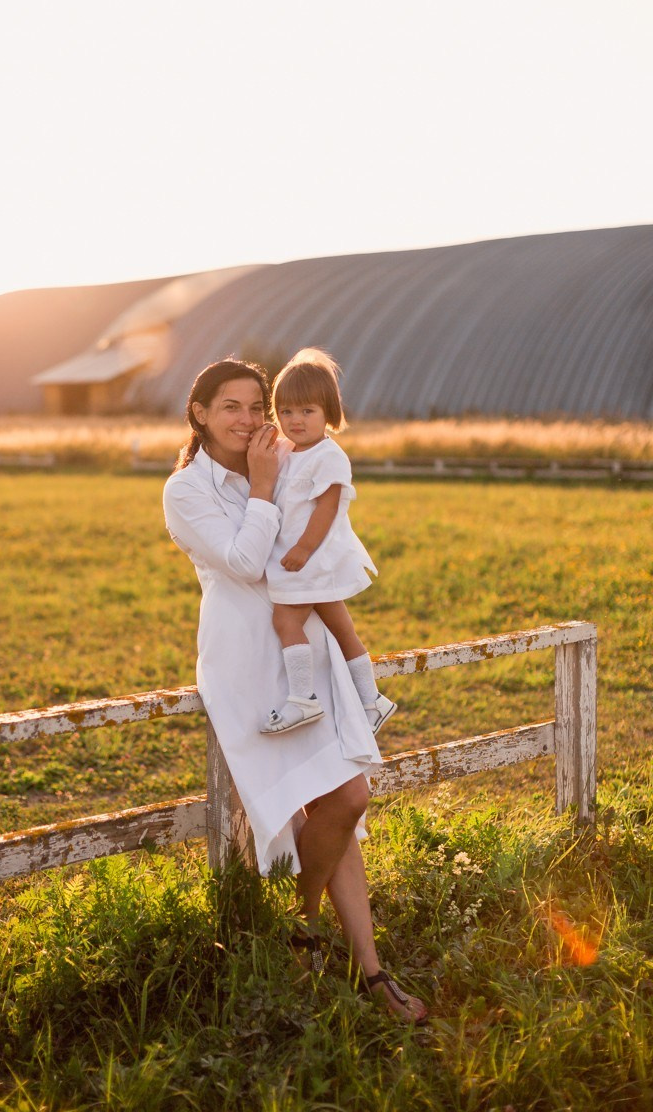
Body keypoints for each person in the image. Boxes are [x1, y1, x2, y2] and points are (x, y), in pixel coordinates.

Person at [162, 357, 428, 1024]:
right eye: (232, 407)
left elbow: (327, 509)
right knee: (305, 807)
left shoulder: (285, 451)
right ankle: (345, 962)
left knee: (347, 800)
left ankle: (334, 949)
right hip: (248, 662)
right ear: (199, 413)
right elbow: (248, 563)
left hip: (305, 649)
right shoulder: (185, 491)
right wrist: (261, 483)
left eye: (258, 406)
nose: (251, 420)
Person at [260, 348, 398, 738]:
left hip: (312, 558)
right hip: (309, 560)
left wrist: (303, 549)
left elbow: (328, 507)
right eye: (285, 412)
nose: (295, 420)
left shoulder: (329, 456)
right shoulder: (288, 453)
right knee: (343, 628)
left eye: (307, 411)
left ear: (328, 414)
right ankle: (373, 701)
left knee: (285, 619)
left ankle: (303, 698)